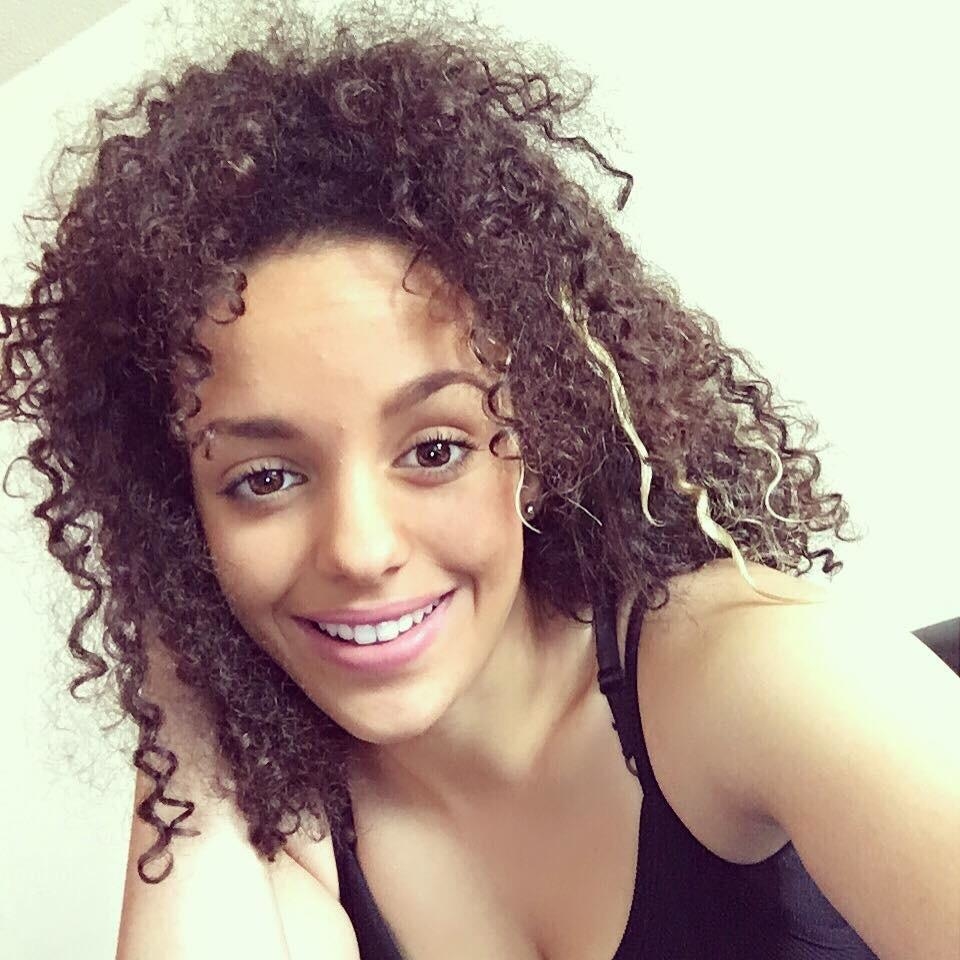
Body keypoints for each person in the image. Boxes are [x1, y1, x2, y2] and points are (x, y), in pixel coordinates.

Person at [1, 2, 957, 958]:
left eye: (434, 450)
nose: (360, 550)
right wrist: (174, 666)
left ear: (539, 438)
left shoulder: (756, 670)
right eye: (264, 478)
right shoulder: (284, 840)